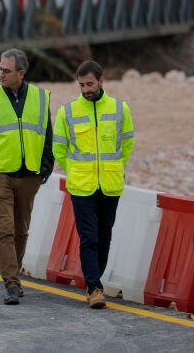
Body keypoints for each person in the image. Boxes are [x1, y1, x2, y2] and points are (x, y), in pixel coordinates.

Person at [0, 48, 53, 305]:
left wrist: (45, 168)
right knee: (5, 228)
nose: (0, 74)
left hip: (30, 175)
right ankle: (11, 283)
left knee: (20, 230)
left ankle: (14, 275)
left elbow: (48, 136)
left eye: (6, 70)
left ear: (21, 73)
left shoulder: (40, 97)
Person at [53, 60, 134, 309]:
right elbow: (59, 148)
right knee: (89, 237)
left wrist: (114, 167)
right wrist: (76, 171)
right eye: (81, 85)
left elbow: (126, 145)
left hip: (110, 184)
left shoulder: (120, 109)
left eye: (90, 84)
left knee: (104, 237)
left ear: (101, 80)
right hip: (81, 186)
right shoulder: (67, 112)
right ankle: (94, 288)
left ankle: (94, 280)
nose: (86, 89)